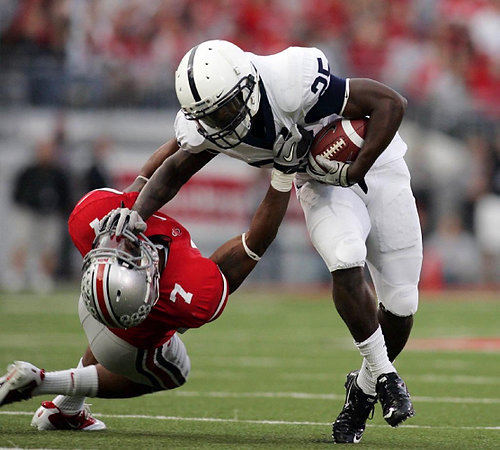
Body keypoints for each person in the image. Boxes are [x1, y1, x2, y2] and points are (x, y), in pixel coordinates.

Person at [104, 40, 423, 443]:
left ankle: (362, 390)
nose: (223, 120)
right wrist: (135, 211)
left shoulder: (291, 80)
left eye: (226, 107)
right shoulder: (209, 123)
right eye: (212, 115)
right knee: (346, 255)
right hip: (320, 186)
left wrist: (354, 167)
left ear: (247, 82)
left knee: (402, 304)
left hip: (380, 168)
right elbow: (175, 166)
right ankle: (387, 377)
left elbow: (391, 103)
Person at [0, 134, 307, 431]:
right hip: (124, 348)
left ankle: (66, 409)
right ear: (149, 283)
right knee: (176, 372)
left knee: (108, 290)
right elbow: (254, 244)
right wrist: (282, 176)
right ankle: (46, 383)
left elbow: (147, 177)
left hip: (94, 301)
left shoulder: (91, 218)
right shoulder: (188, 291)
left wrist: (192, 136)